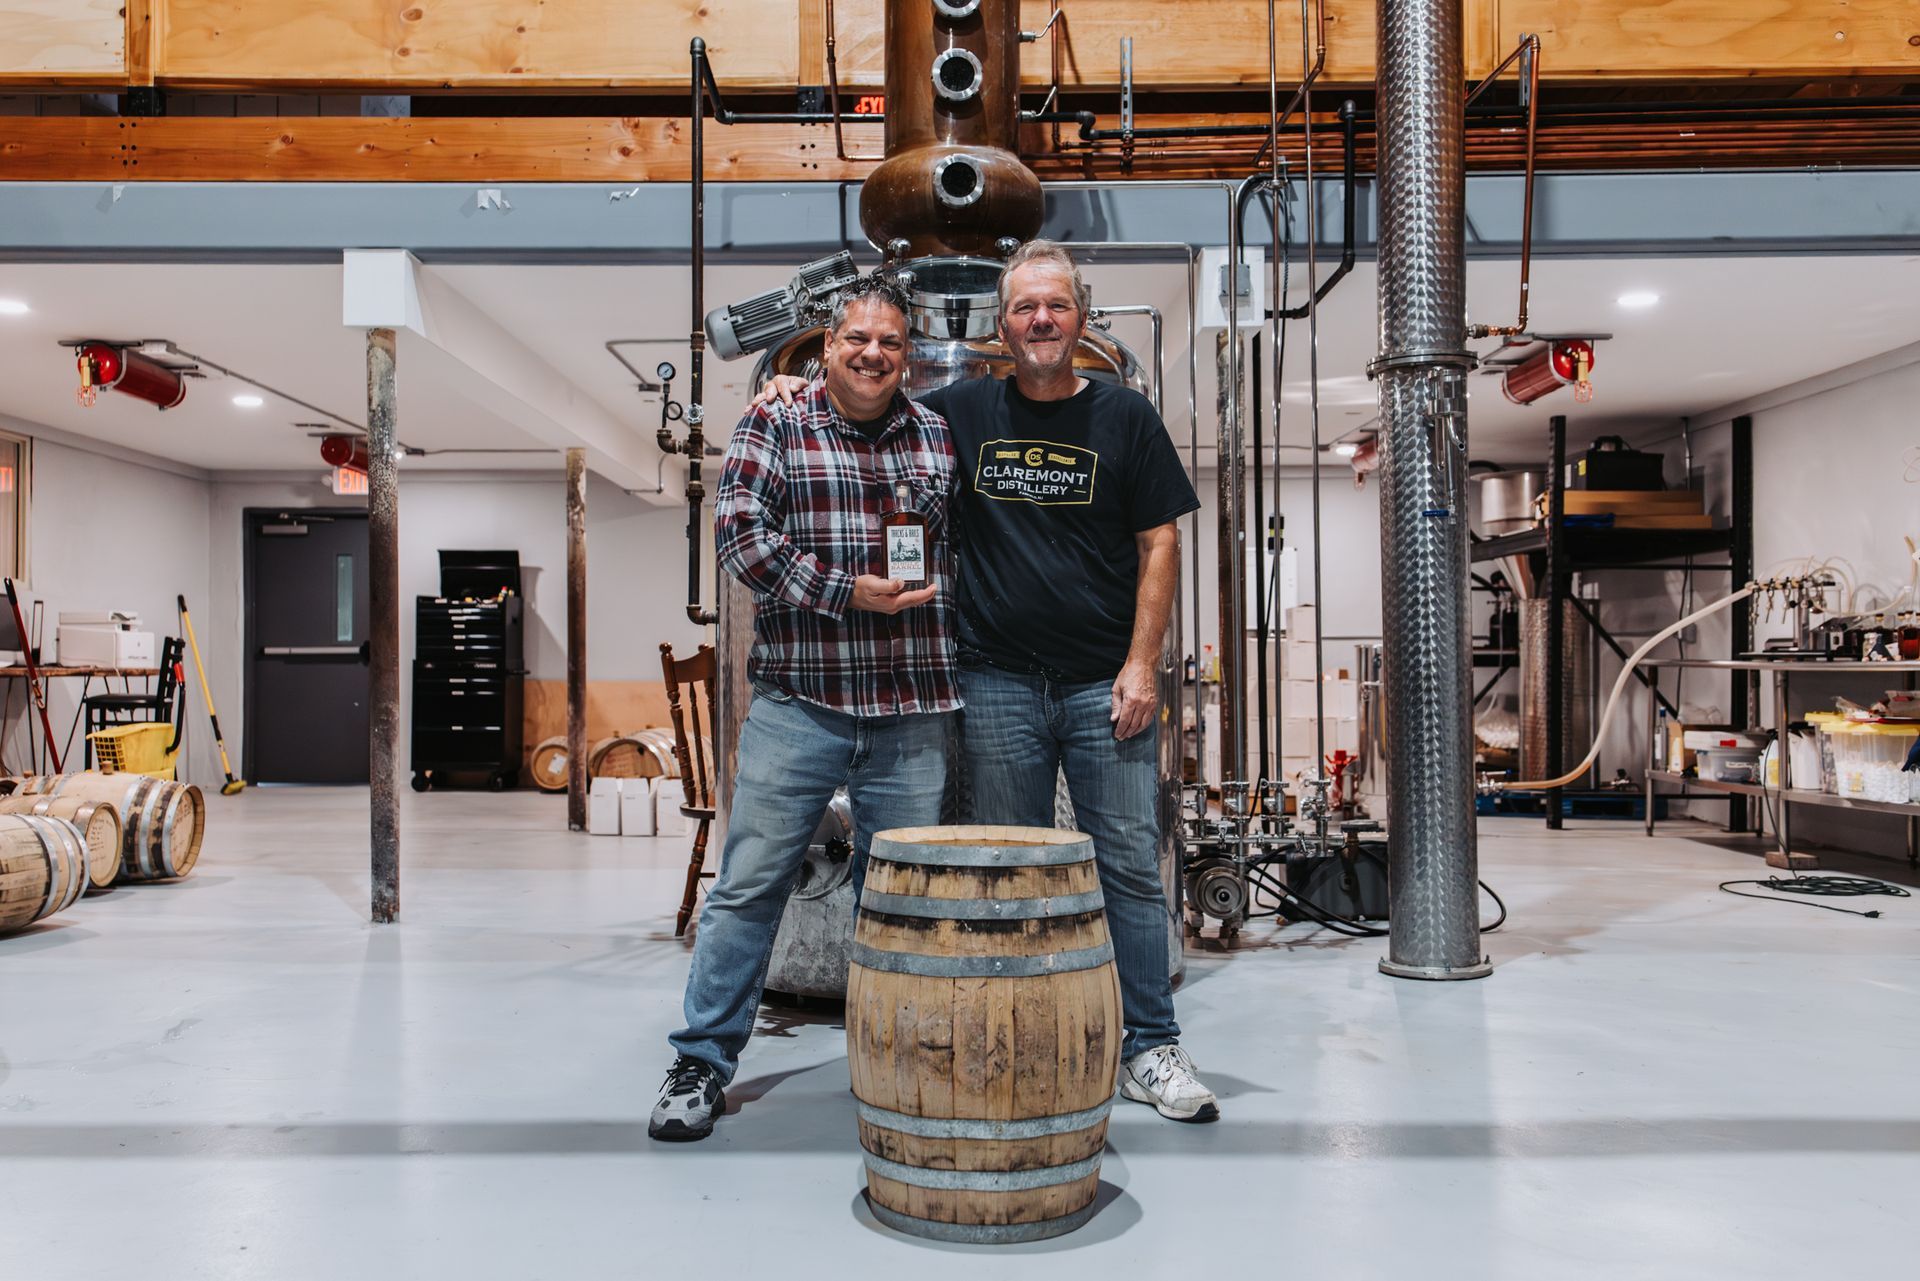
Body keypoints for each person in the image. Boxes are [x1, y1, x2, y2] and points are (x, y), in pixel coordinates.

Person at [762, 240, 1217, 1123]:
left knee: (1124, 864)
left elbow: (1160, 542)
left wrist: (1141, 664)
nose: (1039, 319)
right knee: (1010, 870)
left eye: (1055, 305)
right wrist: (791, 391)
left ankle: (1151, 1045)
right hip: (999, 685)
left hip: (1102, 686)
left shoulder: (1126, 416)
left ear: (1079, 318)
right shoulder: (961, 411)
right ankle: (1029, 1035)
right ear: (1001, 325)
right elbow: (867, 396)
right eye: (1023, 308)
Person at [651, 275, 958, 1142]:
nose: (872, 353)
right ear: (825, 346)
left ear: (910, 354)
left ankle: (893, 1060)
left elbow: (962, 546)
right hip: (802, 702)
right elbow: (742, 539)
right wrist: (848, 593)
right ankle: (700, 1061)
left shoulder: (937, 434)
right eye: (857, 338)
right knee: (748, 889)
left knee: (901, 899)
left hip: (910, 709)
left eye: (891, 343)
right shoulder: (773, 421)